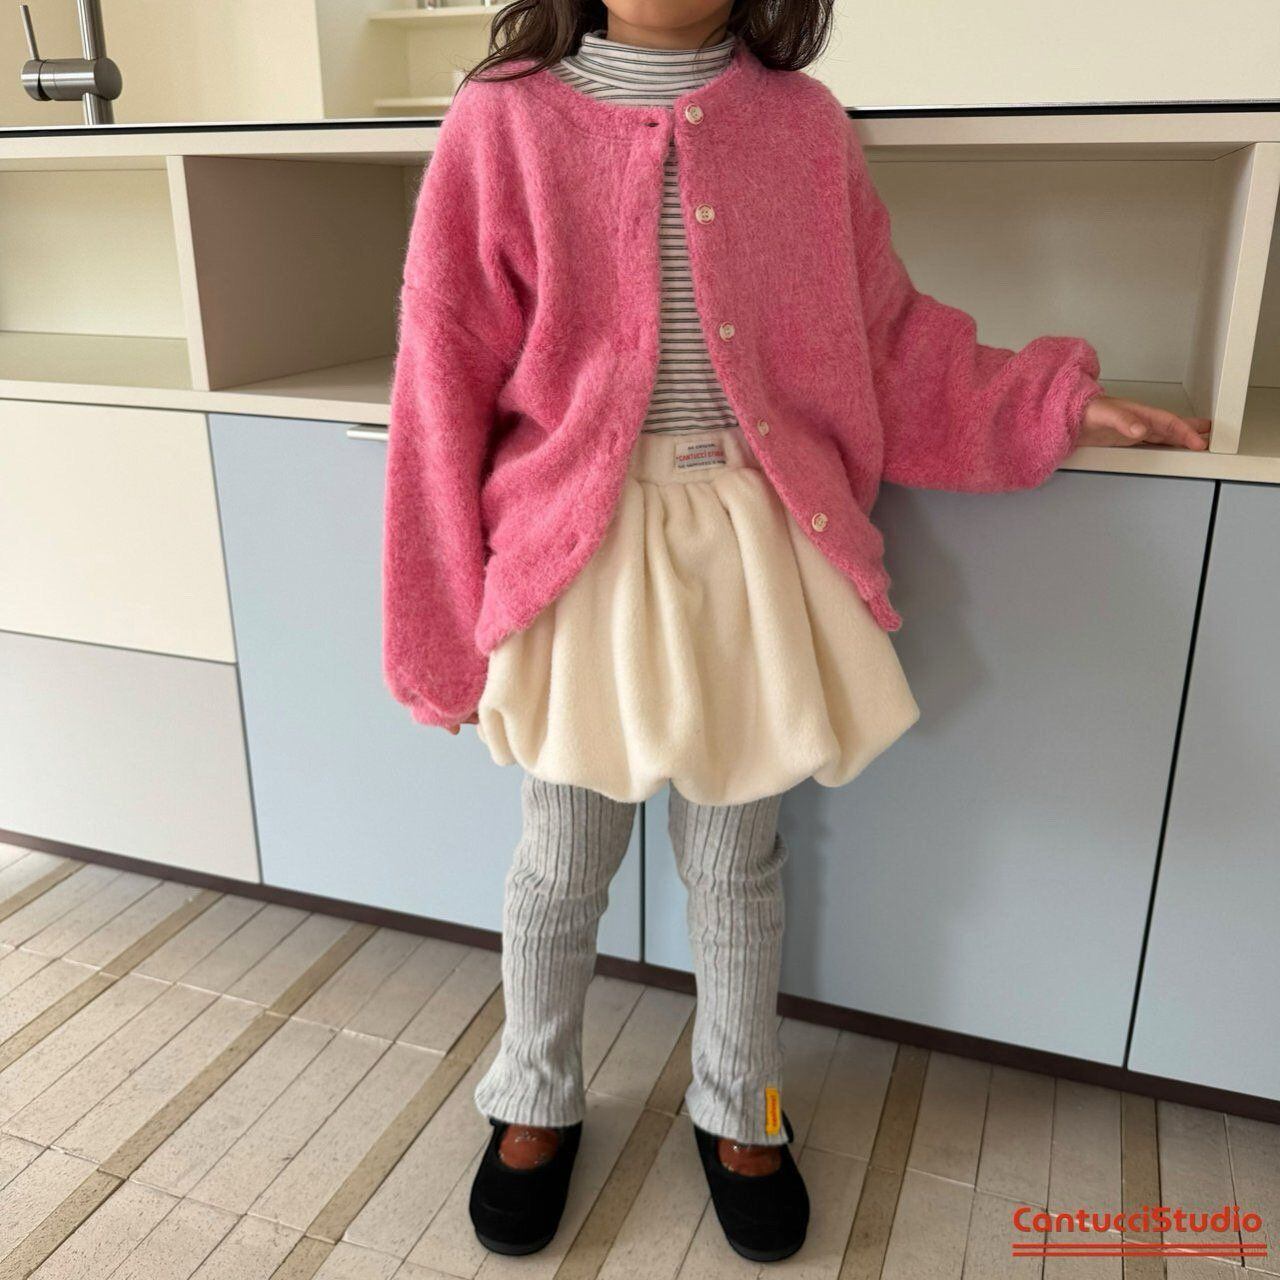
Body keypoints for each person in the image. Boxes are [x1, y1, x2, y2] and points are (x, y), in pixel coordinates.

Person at [380, 1, 1211, 1263]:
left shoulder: (802, 127)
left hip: (754, 545)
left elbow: (882, 341)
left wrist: (1048, 404)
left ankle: (742, 1103)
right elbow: (439, 376)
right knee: (560, 852)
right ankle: (532, 1090)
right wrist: (436, 628)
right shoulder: (500, 120)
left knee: (737, 859)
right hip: (576, 553)